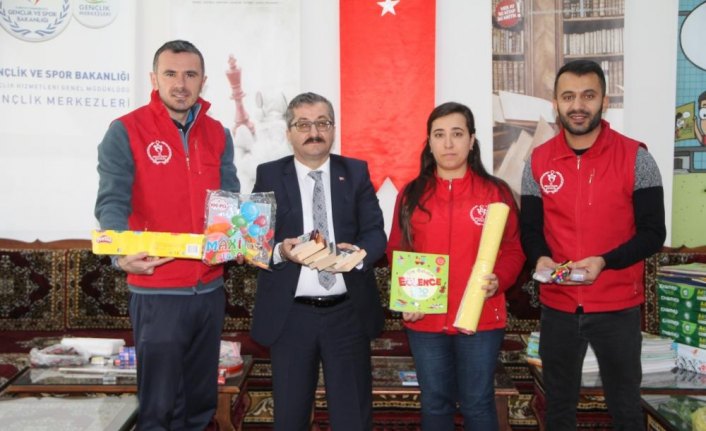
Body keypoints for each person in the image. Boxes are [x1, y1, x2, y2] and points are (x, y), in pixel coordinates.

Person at [94, 40, 240, 430]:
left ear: (203, 81)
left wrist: (242, 238)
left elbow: (229, 202)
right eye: (171, 74)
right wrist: (120, 252)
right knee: (158, 408)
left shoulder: (218, 133)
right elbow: (111, 203)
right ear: (154, 79)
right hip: (157, 288)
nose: (181, 83)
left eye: (190, 74)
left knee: (199, 404)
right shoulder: (126, 130)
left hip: (209, 291)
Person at [520, 59, 666, 429]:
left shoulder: (637, 157)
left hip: (617, 306)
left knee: (626, 409)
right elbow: (531, 229)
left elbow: (653, 233)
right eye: (568, 96)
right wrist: (540, 258)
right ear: (555, 102)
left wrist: (605, 261)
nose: (578, 105)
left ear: (604, 101)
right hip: (559, 308)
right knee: (559, 411)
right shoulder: (537, 160)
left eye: (588, 95)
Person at [250, 92, 387, 430]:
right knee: (290, 417)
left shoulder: (354, 172)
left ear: (334, 129)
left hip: (347, 314)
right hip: (291, 316)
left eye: (322, 123)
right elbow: (254, 244)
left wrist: (356, 258)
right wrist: (282, 251)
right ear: (289, 132)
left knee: (353, 417)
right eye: (304, 124)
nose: (314, 131)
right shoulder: (269, 175)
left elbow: (375, 234)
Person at [387, 102, 525, 430]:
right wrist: (410, 298)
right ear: (430, 142)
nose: (448, 144)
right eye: (439, 135)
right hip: (426, 319)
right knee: (435, 402)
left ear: (472, 140)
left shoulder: (496, 193)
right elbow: (397, 250)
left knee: (478, 402)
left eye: (457, 134)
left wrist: (499, 279)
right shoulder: (411, 194)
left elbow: (514, 250)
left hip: (481, 316)